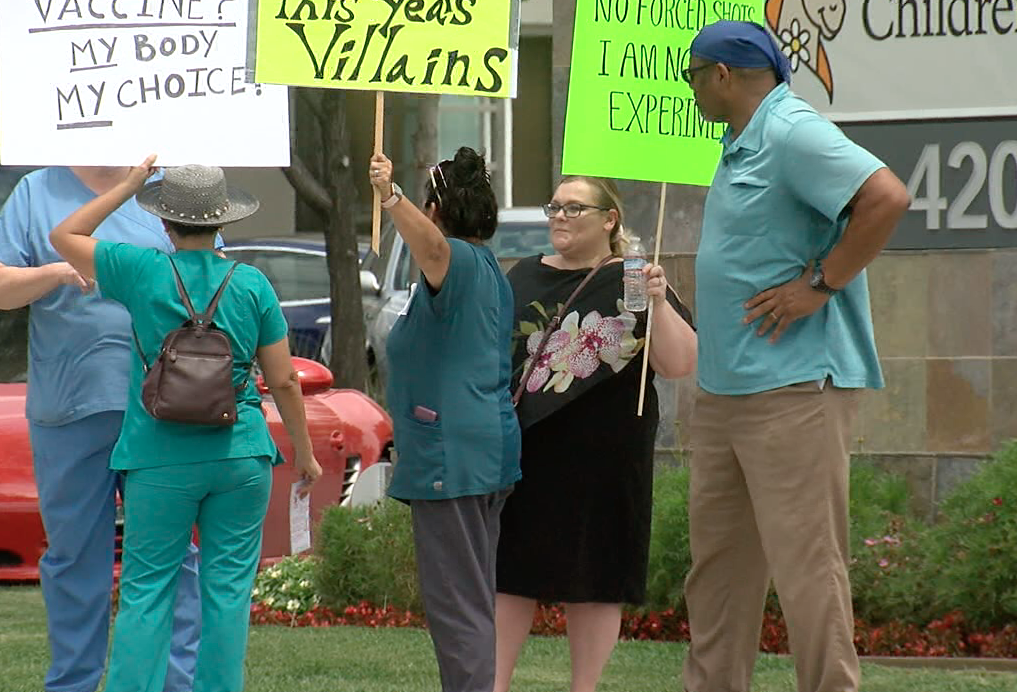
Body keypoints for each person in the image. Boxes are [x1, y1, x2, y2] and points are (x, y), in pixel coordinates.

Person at [680, 20, 911, 692]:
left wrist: (821, 284)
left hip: (793, 389)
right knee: (718, 572)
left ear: (722, 75)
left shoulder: (790, 130)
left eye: (693, 76)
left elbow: (886, 197)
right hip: (726, 390)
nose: (691, 90)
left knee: (808, 568)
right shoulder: (741, 142)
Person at [49, 159, 323, 692]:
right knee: (228, 593)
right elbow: (285, 380)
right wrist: (305, 454)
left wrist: (127, 186)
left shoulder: (141, 269)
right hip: (240, 454)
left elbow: (65, 236)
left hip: (158, 455)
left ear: (163, 221)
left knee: (147, 590)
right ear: (222, 219)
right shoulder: (252, 284)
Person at [0, 165, 201, 692]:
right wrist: (57, 272)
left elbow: (209, 279)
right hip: (68, 407)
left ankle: (178, 683)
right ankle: (73, 683)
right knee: (74, 559)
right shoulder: (37, 190)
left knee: (171, 556)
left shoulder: (171, 187)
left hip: (161, 408)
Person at [494, 176, 697, 692]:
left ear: (610, 220)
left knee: (597, 579)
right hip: (529, 449)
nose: (559, 217)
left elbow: (678, 363)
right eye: (555, 206)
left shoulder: (635, 277)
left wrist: (659, 303)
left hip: (608, 459)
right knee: (509, 574)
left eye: (574, 208)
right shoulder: (524, 275)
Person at [368, 147, 521, 692]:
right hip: (482, 448)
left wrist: (390, 198)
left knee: (458, 608)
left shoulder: (455, 259)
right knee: (473, 598)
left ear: (434, 210)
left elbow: (433, 248)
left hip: (450, 456)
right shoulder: (488, 269)